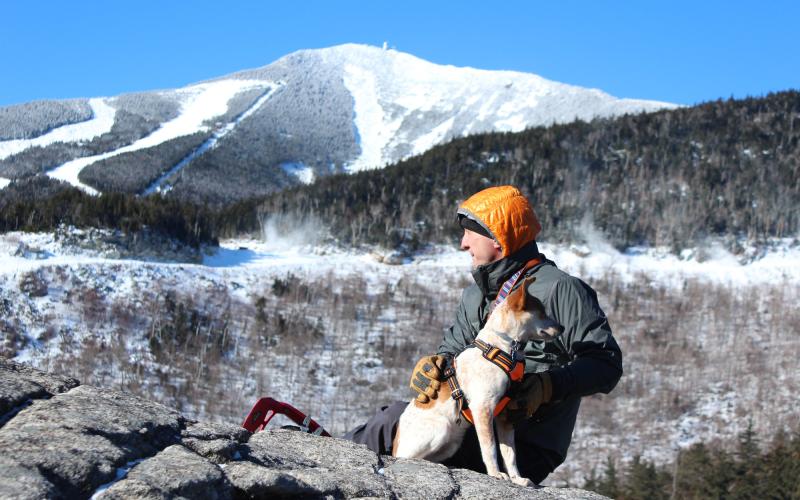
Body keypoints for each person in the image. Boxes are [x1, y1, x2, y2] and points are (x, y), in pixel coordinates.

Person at [344, 185, 623, 484]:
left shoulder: (561, 290)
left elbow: (606, 364)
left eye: (469, 233)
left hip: (528, 440)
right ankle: (326, 460)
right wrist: (435, 366)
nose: (463, 244)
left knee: (394, 435)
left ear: (498, 239)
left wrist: (546, 387)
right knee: (392, 419)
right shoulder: (476, 296)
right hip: (468, 423)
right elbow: (450, 352)